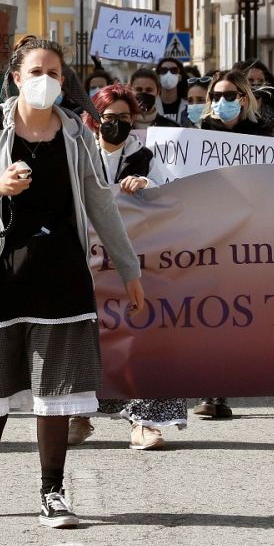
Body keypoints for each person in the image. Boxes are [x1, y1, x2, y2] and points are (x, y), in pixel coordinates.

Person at [0, 36, 145, 528]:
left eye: (54, 72)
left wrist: (130, 271)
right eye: (36, 71)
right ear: (16, 77)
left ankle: (52, 491)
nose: (45, 80)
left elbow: (101, 203)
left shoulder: (76, 130)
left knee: (55, 390)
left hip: (62, 275)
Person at [72, 84, 180, 451]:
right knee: (85, 333)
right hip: (86, 262)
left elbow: (174, 195)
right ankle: (78, 415)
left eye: (124, 118)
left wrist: (148, 185)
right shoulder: (77, 154)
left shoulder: (148, 157)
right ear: (94, 120)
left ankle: (144, 421)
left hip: (140, 259)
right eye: (109, 118)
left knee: (142, 335)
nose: (116, 124)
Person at [189, 68, 274, 421]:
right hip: (205, 234)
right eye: (216, 97)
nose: (221, 102)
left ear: (244, 98)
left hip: (245, 237)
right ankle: (210, 390)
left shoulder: (262, 137)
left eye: (229, 96)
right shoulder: (195, 137)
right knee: (207, 314)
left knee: (232, 317)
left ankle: (220, 391)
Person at [155, 58, 187, 123]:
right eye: (164, 71)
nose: (169, 74)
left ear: (180, 77)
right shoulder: (152, 104)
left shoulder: (188, 105)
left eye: (174, 70)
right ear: (158, 77)